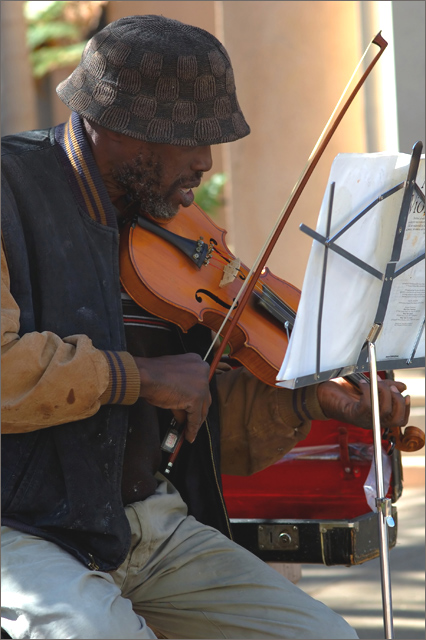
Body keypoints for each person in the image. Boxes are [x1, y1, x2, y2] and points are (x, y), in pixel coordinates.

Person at [1, 14, 410, 640]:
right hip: (21, 526)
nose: (206, 163)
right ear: (121, 127)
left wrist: (306, 397)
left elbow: (209, 423)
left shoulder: (174, 233)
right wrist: (139, 377)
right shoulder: (9, 190)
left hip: (143, 523)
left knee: (324, 636)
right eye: (193, 139)